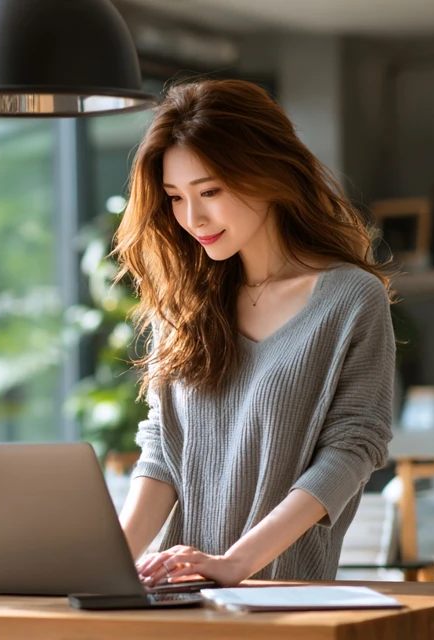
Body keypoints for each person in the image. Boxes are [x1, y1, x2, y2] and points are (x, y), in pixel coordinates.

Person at [113, 79, 395, 587]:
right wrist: (104, 562)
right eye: (176, 198)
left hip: (283, 601)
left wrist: (236, 564)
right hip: (183, 600)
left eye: (211, 191)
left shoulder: (351, 299)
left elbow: (352, 451)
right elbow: (163, 452)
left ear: (267, 173)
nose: (192, 218)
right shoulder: (185, 303)